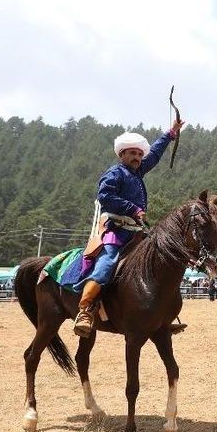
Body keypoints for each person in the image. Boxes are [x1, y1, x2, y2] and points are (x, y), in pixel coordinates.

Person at [72, 118, 184, 337]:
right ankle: (85, 310)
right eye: (132, 153)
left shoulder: (137, 171)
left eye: (140, 154)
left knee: (161, 261)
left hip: (136, 232)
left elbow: (155, 154)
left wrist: (171, 134)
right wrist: (132, 208)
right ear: (121, 155)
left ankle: (162, 317)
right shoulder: (114, 174)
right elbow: (104, 196)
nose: (138, 157)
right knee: (106, 266)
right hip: (114, 231)